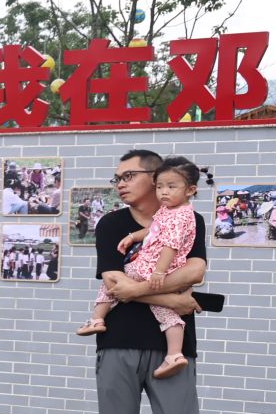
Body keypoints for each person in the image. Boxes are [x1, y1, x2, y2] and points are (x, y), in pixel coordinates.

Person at [94, 151, 205, 414]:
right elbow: (114, 284)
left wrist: (139, 290)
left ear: (155, 177)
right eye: (117, 177)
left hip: (173, 346)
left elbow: (196, 270)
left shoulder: (189, 218)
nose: (120, 183)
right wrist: (171, 297)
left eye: (128, 175)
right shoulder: (111, 224)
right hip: (118, 342)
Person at [78, 162, 199, 381]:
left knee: (112, 285)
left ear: (190, 190)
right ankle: (174, 354)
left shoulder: (182, 217)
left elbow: (176, 252)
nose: (164, 191)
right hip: (121, 339)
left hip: (153, 267)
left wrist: (158, 274)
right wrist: (134, 236)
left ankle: (97, 319)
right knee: (167, 311)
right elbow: (154, 230)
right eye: (161, 186)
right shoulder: (167, 212)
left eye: (171, 186)